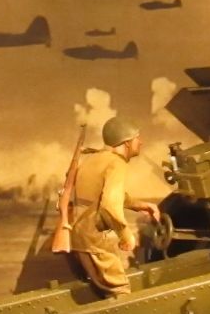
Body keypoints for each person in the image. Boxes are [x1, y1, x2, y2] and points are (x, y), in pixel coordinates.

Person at [64, 116, 159, 299]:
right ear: (127, 143)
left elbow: (105, 195)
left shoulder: (94, 158)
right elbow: (109, 205)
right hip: (94, 240)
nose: (141, 142)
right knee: (120, 293)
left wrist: (140, 205)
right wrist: (125, 235)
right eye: (137, 138)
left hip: (78, 237)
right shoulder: (116, 163)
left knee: (101, 293)